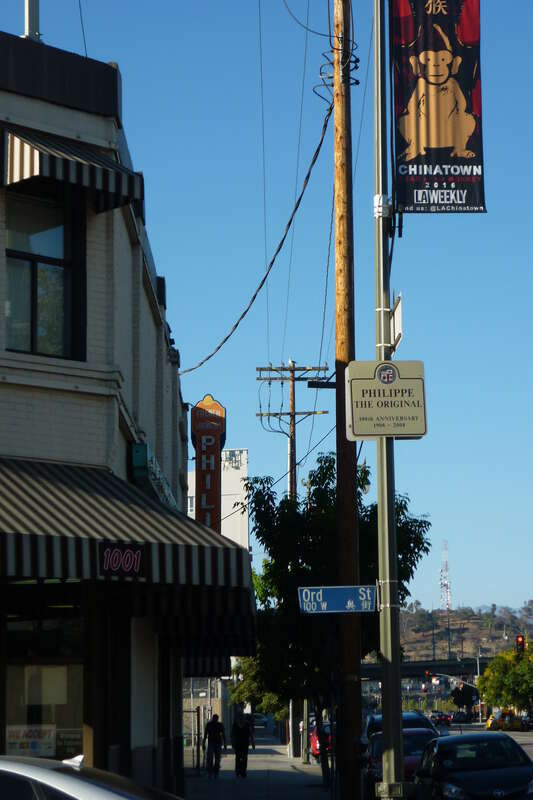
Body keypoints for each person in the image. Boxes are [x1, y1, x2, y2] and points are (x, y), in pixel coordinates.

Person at [231, 711, 255, 778]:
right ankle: (238, 770)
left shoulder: (247, 725)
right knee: (238, 758)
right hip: (237, 744)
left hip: (245, 744)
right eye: (240, 717)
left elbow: (251, 734)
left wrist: (253, 743)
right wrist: (232, 744)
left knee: (244, 758)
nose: (241, 718)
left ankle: (243, 771)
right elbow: (232, 735)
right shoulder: (235, 725)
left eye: (242, 717)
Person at [202, 713, 226, 779]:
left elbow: (223, 734)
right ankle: (211, 772)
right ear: (213, 718)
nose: (215, 720)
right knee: (211, 758)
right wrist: (203, 743)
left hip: (217, 743)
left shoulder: (219, 725)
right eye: (215, 718)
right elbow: (205, 734)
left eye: (216, 719)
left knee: (217, 759)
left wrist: (225, 744)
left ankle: (215, 772)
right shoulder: (209, 725)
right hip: (212, 743)